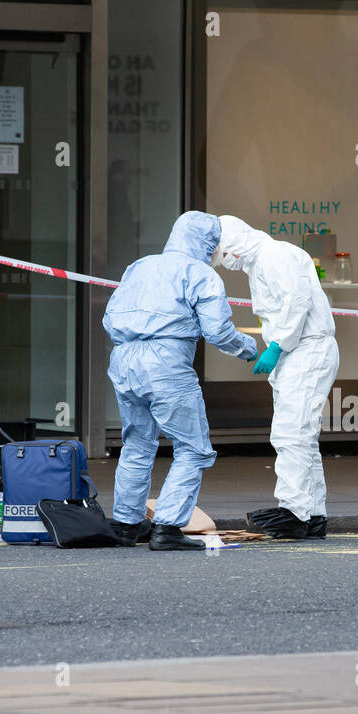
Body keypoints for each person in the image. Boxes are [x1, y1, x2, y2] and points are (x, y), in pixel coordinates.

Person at [103, 211, 258, 551]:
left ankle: (126, 525)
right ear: (207, 244)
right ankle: (168, 527)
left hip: (124, 359)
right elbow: (218, 331)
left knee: (138, 443)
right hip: (166, 363)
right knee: (192, 448)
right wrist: (250, 350)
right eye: (216, 245)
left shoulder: (139, 266)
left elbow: (109, 316)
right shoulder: (199, 273)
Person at [215, 215, 340, 540]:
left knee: (291, 434)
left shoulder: (274, 256)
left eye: (221, 255)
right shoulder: (262, 263)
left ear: (232, 247)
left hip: (305, 350)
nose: (224, 263)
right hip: (299, 352)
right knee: (303, 437)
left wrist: (277, 345)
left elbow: (297, 302)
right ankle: (313, 514)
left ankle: (294, 512)